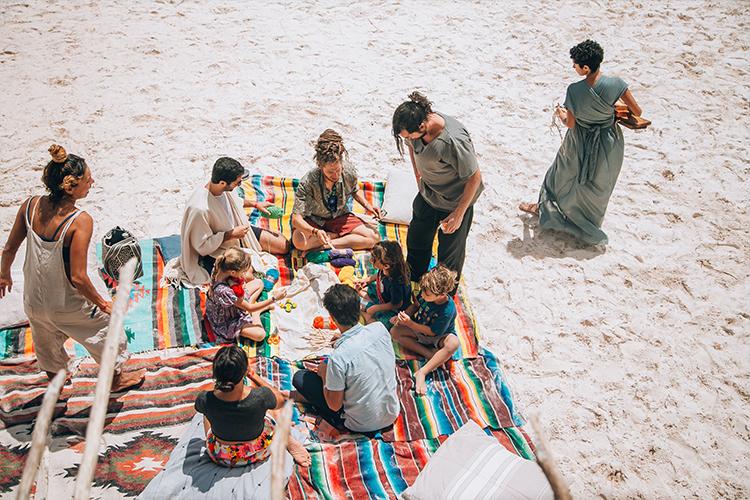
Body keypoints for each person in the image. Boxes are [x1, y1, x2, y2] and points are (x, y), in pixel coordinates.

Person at [0, 145, 145, 391]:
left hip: (33, 302)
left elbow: (9, 249)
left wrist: (4, 275)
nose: (92, 182)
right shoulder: (80, 220)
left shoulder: (30, 206)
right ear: (71, 186)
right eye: (88, 180)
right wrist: (102, 304)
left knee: (46, 345)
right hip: (65, 304)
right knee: (108, 331)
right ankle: (116, 381)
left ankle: (57, 381)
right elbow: (78, 277)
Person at [519, 39, 642, 245]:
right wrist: (609, 108)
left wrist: (560, 113)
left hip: (579, 140)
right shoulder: (617, 84)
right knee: (597, 185)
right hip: (608, 142)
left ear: (585, 68)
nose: (573, 67)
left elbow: (570, 123)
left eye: (575, 64)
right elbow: (637, 112)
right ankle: (589, 224)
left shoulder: (574, 90)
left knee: (557, 177)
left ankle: (546, 210)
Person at [392, 92, 484, 291]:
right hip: (429, 194)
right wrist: (418, 176)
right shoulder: (414, 127)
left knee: (449, 258)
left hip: (454, 203)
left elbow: (475, 177)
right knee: (417, 240)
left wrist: (458, 215)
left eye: (408, 136)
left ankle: (441, 296)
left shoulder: (451, 141)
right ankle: (414, 278)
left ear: (422, 127)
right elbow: (411, 145)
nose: (407, 140)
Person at [291, 284, 399, 437]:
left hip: (360, 424)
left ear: (333, 318)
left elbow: (334, 406)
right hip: (391, 412)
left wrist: (323, 376)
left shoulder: (339, 358)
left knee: (301, 378)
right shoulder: (380, 329)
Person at [167, 157, 289, 288]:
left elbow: (237, 201)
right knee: (247, 275)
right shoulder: (199, 208)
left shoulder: (221, 189)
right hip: (219, 247)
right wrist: (230, 235)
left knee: (283, 245)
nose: (240, 185)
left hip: (238, 231)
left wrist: (256, 204)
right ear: (223, 183)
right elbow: (201, 246)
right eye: (237, 182)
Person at [195, 345, 310, 467]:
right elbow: (281, 400)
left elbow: (203, 406)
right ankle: (286, 437)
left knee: (205, 413)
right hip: (258, 452)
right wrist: (254, 376)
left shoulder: (204, 399)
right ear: (245, 371)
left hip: (221, 456)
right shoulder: (260, 396)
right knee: (271, 411)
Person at [291, 129, 381, 252]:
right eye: (330, 172)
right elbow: (296, 219)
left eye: (338, 170)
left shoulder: (348, 172)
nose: (336, 175)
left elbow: (354, 190)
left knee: (374, 237)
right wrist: (315, 232)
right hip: (314, 219)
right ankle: (341, 237)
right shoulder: (308, 181)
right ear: (320, 166)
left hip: (340, 217)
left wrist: (367, 205)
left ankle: (327, 244)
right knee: (299, 242)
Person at [390, 265, 459, 396]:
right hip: (419, 328)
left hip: (438, 336)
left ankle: (423, 371)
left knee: (453, 343)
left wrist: (410, 324)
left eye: (426, 294)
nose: (422, 294)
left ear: (441, 294)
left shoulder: (447, 310)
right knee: (394, 332)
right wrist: (402, 317)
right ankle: (431, 356)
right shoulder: (426, 293)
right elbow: (416, 305)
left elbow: (432, 332)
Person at [205, 248, 286, 343]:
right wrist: (274, 298)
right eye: (242, 272)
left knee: (259, 283)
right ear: (233, 272)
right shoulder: (223, 291)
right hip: (227, 319)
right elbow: (250, 307)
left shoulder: (220, 268)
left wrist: (241, 284)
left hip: (233, 303)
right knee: (260, 335)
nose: (243, 274)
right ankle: (256, 313)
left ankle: (247, 310)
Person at [355, 240, 411, 328]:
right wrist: (367, 280)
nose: (370, 260)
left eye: (373, 259)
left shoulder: (396, 283)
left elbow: (396, 304)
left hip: (392, 308)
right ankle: (366, 299)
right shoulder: (387, 268)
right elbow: (378, 275)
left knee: (384, 322)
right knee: (366, 289)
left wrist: (376, 308)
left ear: (386, 266)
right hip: (382, 294)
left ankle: (367, 315)